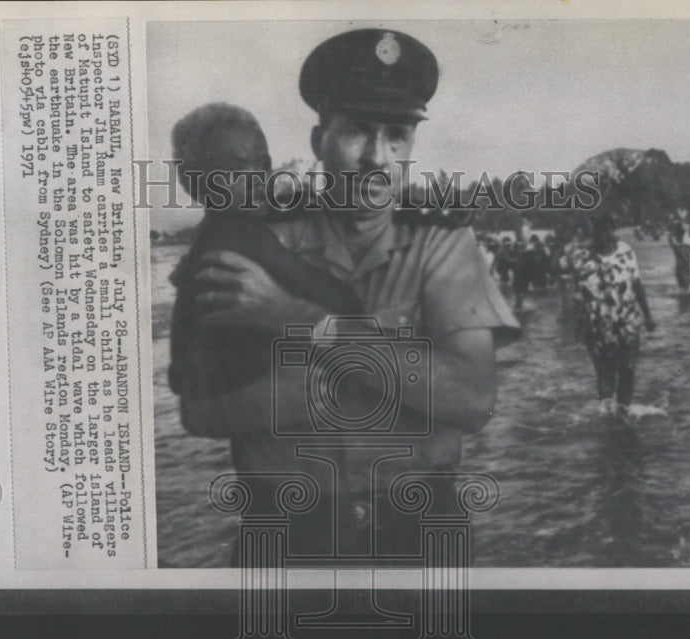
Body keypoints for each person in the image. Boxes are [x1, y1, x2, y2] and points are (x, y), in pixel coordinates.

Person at [177, 28, 521, 560]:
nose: (378, 158)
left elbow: (473, 402)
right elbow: (198, 412)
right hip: (286, 529)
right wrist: (355, 377)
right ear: (319, 142)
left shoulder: (443, 242)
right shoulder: (259, 240)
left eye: (397, 136)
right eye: (359, 131)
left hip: (418, 530)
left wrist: (300, 321)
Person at [167, 103, 363, 431]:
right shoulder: (240, 236)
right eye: (235, 169)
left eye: (263, 165)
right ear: (193, 182)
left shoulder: (212, 234)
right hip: (237, 387)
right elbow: (347, 303)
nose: (258, 179)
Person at [571, 213, 657, 420]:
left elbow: (637, 285)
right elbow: (578, 293)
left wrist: (648, 315)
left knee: (627, 368)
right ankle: (607, 413)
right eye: (597, 233)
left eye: (606, 231)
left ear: (612, 232)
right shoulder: (582, 257)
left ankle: (623, 411)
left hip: (627, 322)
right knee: (604, 373)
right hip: (597, 325)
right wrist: (578, 323)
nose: (602, 236)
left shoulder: (626, 253)